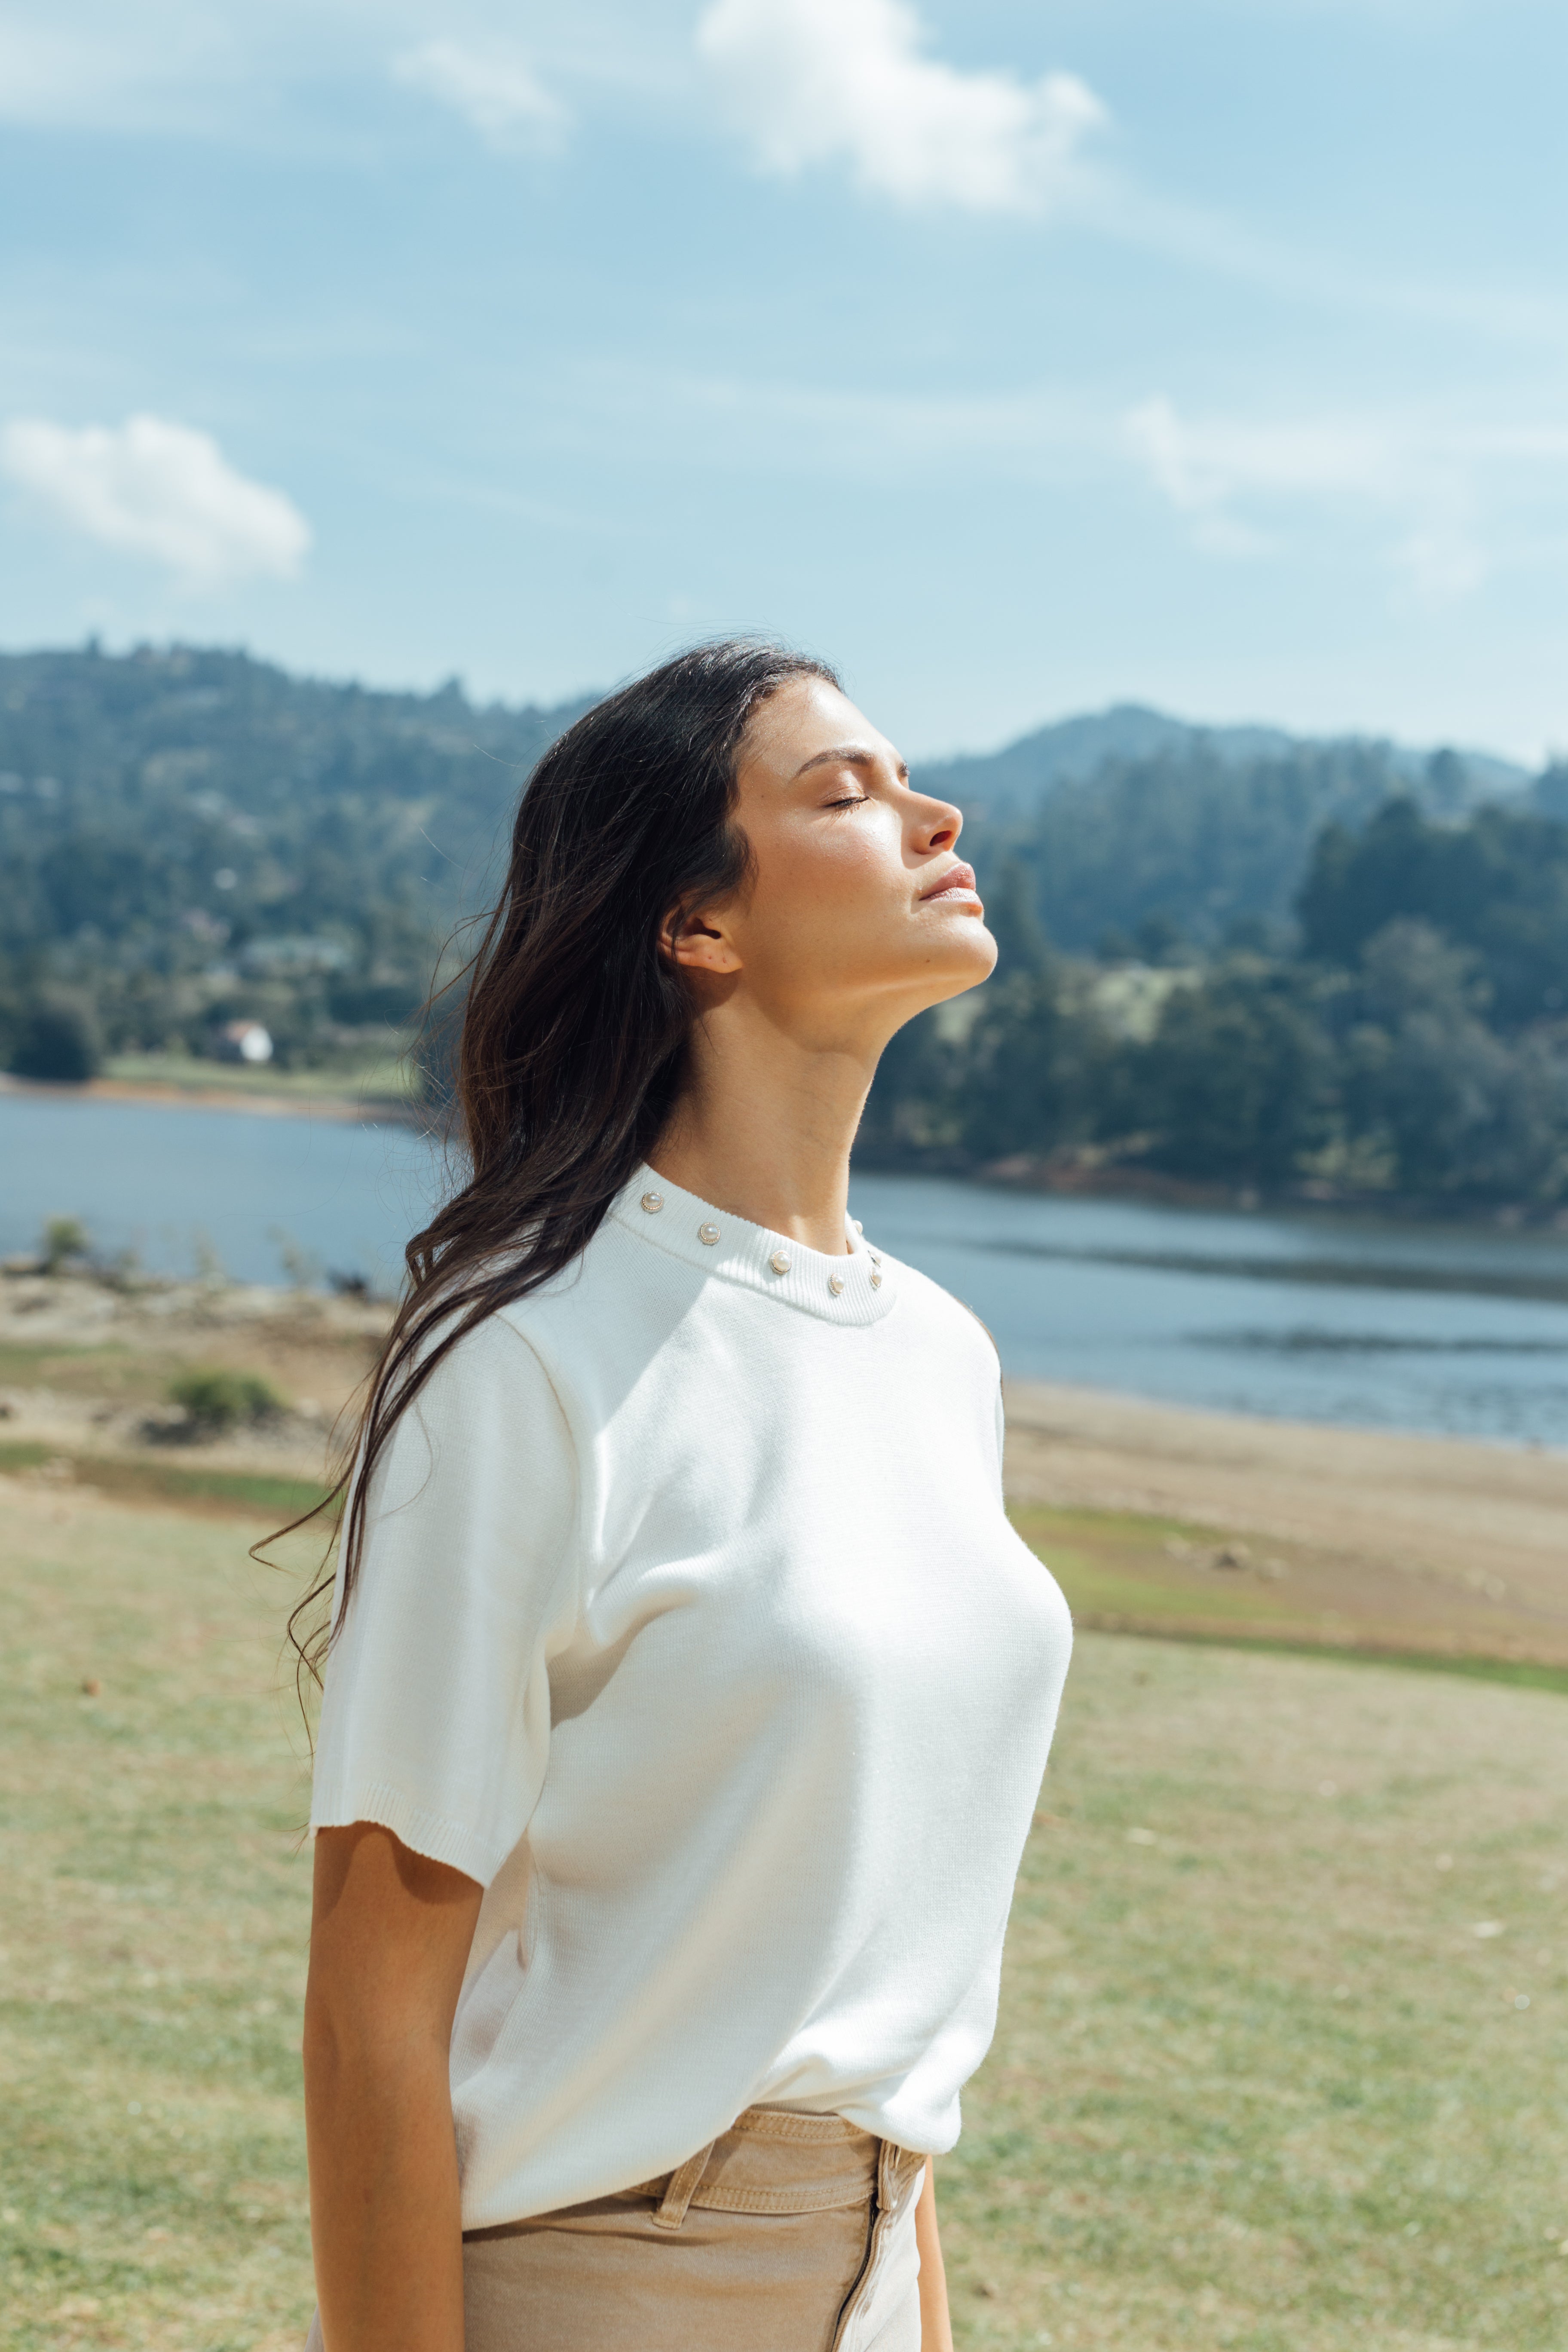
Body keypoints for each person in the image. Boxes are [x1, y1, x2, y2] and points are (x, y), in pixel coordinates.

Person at [298, 641, 1073, 2352]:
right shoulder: (525, 1360)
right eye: (845, 792)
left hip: (876, 2261)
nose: (936, 811)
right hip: (606, 2278)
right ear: (697, 926)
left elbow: (872, 1981)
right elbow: (370, 2015)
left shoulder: (939, 1354)